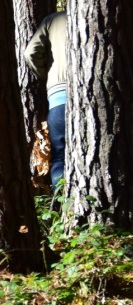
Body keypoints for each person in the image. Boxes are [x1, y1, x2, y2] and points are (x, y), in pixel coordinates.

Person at [25, 11, 68, 193]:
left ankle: (63, 203)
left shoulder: (52, 20)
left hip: (59, 96)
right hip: (97, 97)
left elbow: (30, 53)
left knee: (60, 156)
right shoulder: (102, 13)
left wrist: (46, 77)